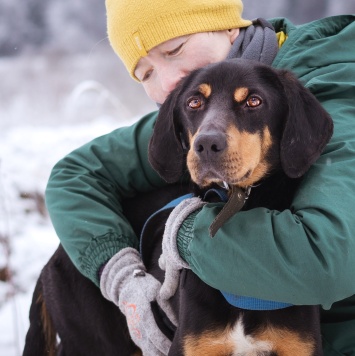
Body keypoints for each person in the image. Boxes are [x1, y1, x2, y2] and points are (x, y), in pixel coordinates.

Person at [45, 0, 355, 354]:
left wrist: (185, 235)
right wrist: (122, 276)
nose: (167, 82)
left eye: (174, 49)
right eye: (144, 74)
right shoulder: (197, 110)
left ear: (227, 25)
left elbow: (322, 261)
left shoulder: (335, 91)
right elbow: (75, 172)